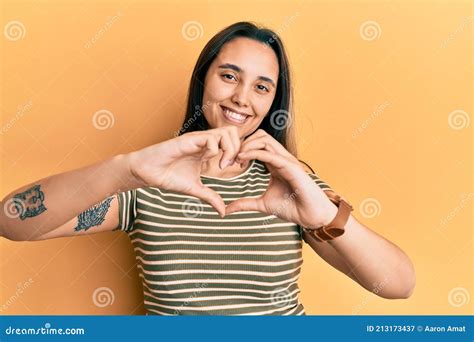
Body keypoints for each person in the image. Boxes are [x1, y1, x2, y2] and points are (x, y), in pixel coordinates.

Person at [0, 21, 415, 315]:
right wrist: (126, 168)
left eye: (261, 86)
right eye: (229, 76)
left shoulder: (287, 181)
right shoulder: (148, 176)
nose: (241, 98)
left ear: (273, 101)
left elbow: (398, 285)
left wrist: (322, 214)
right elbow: (12, 219)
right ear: (203, 82)